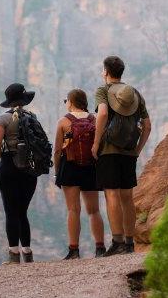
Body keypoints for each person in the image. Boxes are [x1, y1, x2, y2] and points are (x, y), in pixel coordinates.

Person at [92, 56, 151, 256]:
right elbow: (147, 125)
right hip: (128, 151)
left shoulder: (104, 90)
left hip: (108, 150)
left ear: (106, 72)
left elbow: (101, 115)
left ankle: (116, 242)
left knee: (112, 194)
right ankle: (129, 242)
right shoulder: (134, 93)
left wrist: (95, 144)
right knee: (127, 197)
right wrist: (137, 150)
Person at [54, 88, 106, 259]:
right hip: (91, 167)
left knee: (73, 210)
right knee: (94, 210)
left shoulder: (63, 122)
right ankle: (100, 248)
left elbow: (56, 150)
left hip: (69, 167)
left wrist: (57, 172)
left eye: (66, 101)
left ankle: (74, 250)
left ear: (71, 102)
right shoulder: (95, 119)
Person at [0, 83, 38, 265]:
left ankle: (13, 255)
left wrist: (7, 159)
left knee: (11, 211)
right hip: (29, 170)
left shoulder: (3, 118)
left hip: (9, 168)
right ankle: (28, 252)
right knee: (22, 212)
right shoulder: (32, 117)